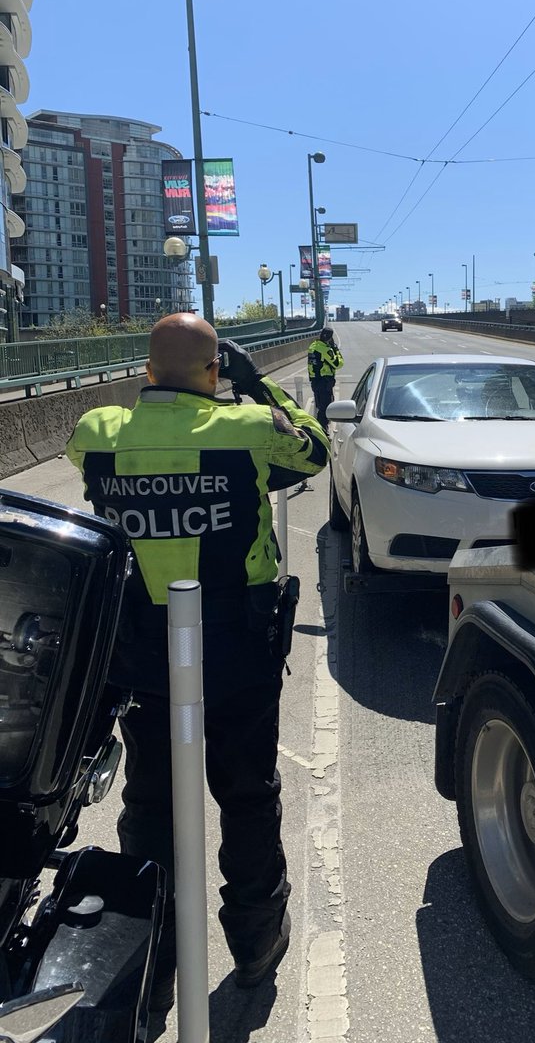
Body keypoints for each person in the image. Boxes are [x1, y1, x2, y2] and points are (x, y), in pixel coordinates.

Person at [66, 313, 329, 1014]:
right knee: (247, 798)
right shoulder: (245, 433)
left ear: (147, 373)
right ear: (216, 372)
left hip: (144, 656)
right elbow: (314, 451)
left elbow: (87, 451)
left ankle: (147, 962)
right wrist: (255, 390)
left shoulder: (98, 434)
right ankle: (256, 943)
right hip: (237, 653)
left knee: (150, 807)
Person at [307, 326, 344, 431]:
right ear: (330, 338)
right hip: (324, 382)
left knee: (320, 407)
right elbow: (338, 364)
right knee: (325, 409)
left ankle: (320, 429)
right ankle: (322, 431)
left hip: (315, 380)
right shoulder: (325, 349)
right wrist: (335, 349)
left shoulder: (313, 346)